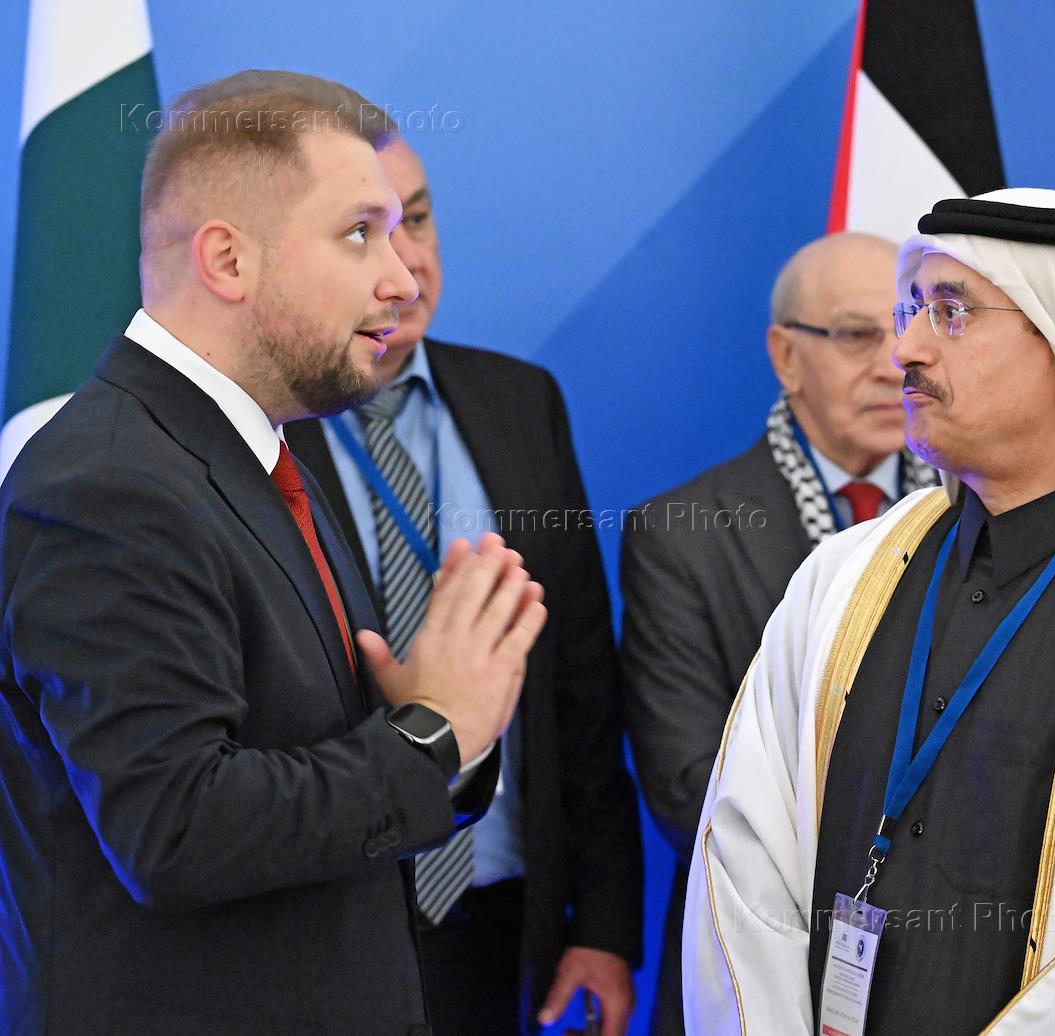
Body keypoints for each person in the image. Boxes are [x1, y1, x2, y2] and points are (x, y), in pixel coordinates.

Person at [0, 70, 549, 1034]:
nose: (402, 279)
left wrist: (433, 731)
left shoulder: (256, 450)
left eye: (399, 232)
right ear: (227, 260)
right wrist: (433, 735)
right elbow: (177, 829)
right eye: (359, 234)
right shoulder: (109, 485)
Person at [683, 189, 1055, 1034]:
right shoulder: (842, 578)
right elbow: (744, 861)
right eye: (912, 309)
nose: (906, 350)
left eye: (951, 314)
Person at [284, 133, 642, 1036]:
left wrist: (603, 924)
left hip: (506, 909)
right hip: (331, 913)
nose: (406, 261)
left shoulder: (521, 401)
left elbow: (581, 685)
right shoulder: (260, 429)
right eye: (364, 232)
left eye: (418, 219)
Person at [620, 232, 938, 1033]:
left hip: (939, 964)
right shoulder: (682, 534)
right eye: (857, 335)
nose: (893, 363)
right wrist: (908, 849)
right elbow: (690, 790)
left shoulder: (971, 512)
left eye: (906, 327)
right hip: (751, 958)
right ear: (786, 357)